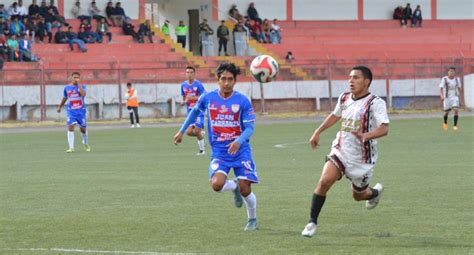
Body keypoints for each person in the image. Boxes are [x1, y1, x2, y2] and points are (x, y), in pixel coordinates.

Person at [301, 66, 389, 237]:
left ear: (367, 81)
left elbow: (384, 128)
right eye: (350, 77)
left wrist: (367, 135)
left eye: (356, 77)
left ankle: (375, 193)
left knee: (358, 196)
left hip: (362, 159)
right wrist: (317, 131)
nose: (351, 80)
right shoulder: (344, 98)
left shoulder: (375, 103)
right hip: (341, 150)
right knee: (325, 181)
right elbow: (335, 115)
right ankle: (312, 222)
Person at [173, 62, 259, 231]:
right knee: (217, 185)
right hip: (220, 151)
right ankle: (232, 186)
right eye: (223, 79)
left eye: (230, 79)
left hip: (241, 151)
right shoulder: (208, 98)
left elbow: (250, 128)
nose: (226, 83)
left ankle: (252, 219)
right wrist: (181, 131)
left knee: (245, 188)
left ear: (235, 81)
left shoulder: (242, 101)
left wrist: (238, 141)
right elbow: (194, 112)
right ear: (218, 79)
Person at [56, 72, 91, 153]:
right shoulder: (67, 88)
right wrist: (60, 106)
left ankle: (85, 143)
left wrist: (79, 85)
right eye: (74, 77)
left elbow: (83, 94)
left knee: (83, 130)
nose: (76, 79)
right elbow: (65, 97)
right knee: (71, 127)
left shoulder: (82, 86)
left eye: (77, 77)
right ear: (71, 78)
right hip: (71, 111)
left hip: (81, 111)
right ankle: (71, 147)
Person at [180, 66, 206, 155]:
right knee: (189, 132)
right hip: (190, 112)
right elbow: (184, 96)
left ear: (194, 74)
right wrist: (183, 101)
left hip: (199, 111)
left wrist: (194, 98)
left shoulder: (198, 84)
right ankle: (201, 136)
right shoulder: (183, 85)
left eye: (191, 72)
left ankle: (202, 150)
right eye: (187, 72)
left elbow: (204, 96)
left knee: (197, 131)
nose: (189, 74)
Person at [440, 67, 462, 131]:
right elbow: (441, 88)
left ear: (454, 73)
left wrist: (459, 93)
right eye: (450, 71)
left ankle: (455, 125)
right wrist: (441, 95)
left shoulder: (457, 79)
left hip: (455, 97)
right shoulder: (444, 79)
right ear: (448, 72)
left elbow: (459, 87)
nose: (451, 72)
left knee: (455, 110)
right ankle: (445, 123)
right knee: (446, 112)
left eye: (452, 71)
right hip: (447, 97)